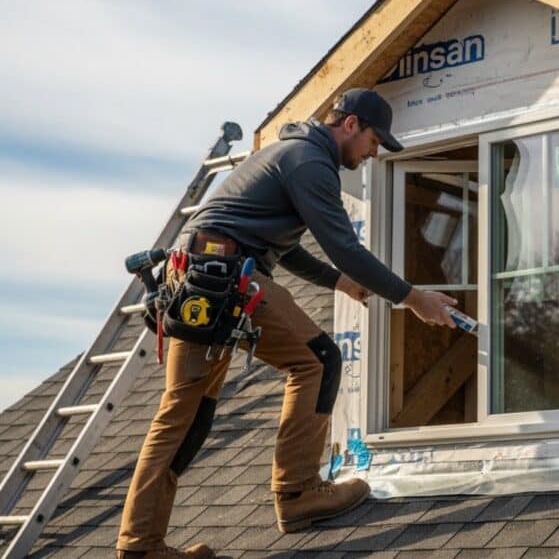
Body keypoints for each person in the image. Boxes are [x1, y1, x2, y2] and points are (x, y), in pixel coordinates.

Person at [116, 88, 457, 559]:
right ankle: (298, 494)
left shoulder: (292, 155)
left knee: (187, 414)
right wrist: (413, 297)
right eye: (376, 140)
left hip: (205, 277)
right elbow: (344, 245)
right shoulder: (309, 162)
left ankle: (140, 546)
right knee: (317, 359)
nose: (375, 152)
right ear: (351, 124)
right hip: (225, 277)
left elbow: (288, 248)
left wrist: (337, 282)